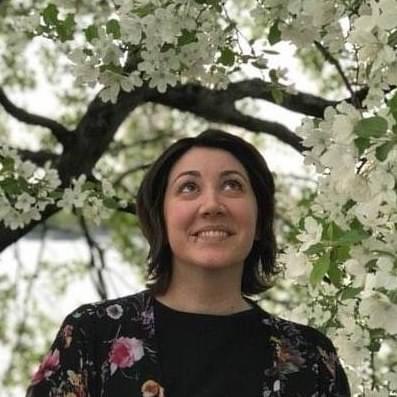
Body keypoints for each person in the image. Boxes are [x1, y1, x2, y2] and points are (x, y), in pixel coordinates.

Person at [26, 129, 351, 397]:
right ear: (161, 219)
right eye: (189, 187)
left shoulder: (311, 359)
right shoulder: (91, 336)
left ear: (259, 218)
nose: (212, 204)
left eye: (232, 185)